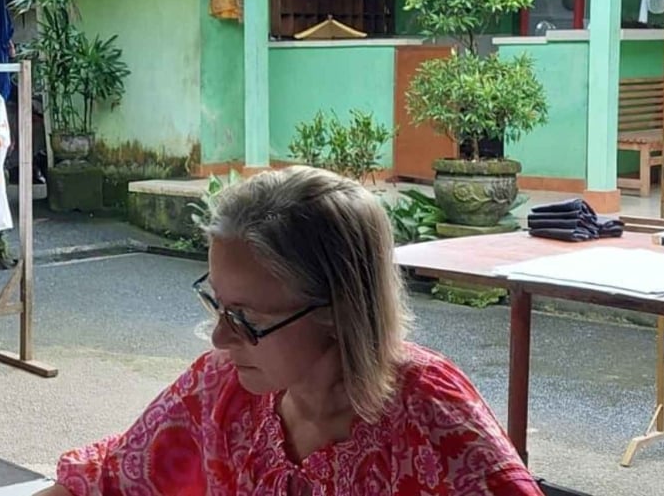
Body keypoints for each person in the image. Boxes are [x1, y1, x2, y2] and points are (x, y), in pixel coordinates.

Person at [41, 167, 540, 496]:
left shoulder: (430, 414)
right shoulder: (220, 388)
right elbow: (109, 479)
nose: (220, 339)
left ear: (338, 309)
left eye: (248, 318)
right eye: (218, 304)